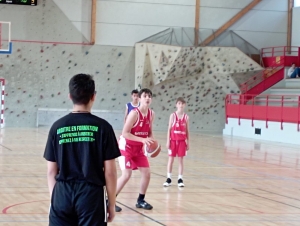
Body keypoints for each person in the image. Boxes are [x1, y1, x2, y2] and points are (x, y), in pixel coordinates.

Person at [44, 73, 121, 226]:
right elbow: (110, 172)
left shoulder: (57, 127)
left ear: (69, 96)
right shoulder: (103, 128)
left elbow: (51, 171)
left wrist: (56, 200)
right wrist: (111, 204)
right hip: (91, 195)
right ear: (93, 96)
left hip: (62, 192)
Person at [116, 88, 155, 211]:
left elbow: (149, 132)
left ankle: (140, 200)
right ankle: (108, 200)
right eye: (145, 96)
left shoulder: (151, 114)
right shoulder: (134, 113)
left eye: (149, 96)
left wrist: (151, 143)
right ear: (139, 98)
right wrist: (143, 140)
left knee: (147, 173)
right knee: (127, 174)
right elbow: (125, 133)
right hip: (125, 147)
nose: (147, 98)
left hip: (138, 148)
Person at [163, 97, 189, 187]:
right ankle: (168, 178)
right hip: (173, 141)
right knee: (171, 159)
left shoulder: (186, 117)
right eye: (179, 103)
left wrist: (188, 142)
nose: (181, 105)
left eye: (182, 104)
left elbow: (187, 131)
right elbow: (169, 129)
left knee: (181, 160)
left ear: (184, 105)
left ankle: (180, 179)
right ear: (176, 105)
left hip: (182, 141)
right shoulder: (173, 115)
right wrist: (168, 141)